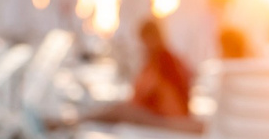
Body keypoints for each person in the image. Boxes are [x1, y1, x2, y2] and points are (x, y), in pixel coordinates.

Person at [51, 16, 199, 130]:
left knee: (121, 110)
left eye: (144, 41)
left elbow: (147, 94)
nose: (143, 46)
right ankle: (71, 122)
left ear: (151, 38)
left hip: (168, 121)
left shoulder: (164, 62)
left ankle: (70, 123)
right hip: (166, 116)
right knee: (116, 108)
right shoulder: (167, 59)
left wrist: (133, 105)